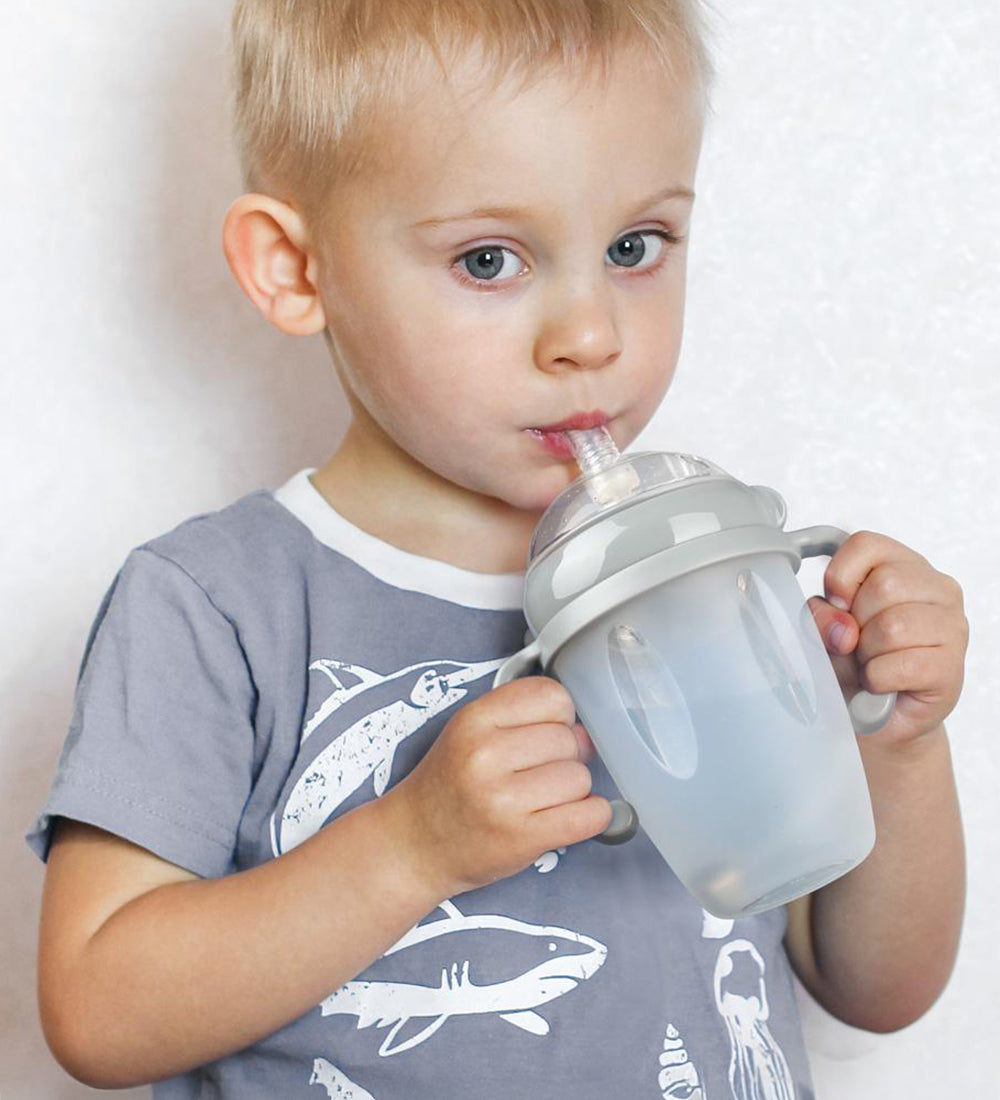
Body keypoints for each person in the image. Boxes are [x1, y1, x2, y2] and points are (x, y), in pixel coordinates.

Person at [25, 1, 969, 1096]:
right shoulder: (216, 605)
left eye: (634, 246)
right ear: (295, 267)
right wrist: (406, 847)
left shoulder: (710, 578)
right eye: (488, 259)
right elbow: (97, 1010)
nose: (590, 333)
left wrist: (893, 746)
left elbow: (877, 990)